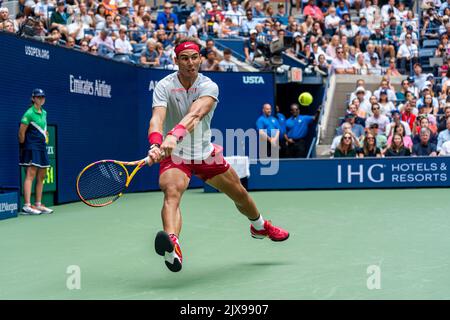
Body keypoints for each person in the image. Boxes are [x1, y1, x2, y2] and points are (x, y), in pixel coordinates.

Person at [147, 36, 289, 272]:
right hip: (175, 157)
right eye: (184, 58)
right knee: (171, 192)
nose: (190, 63)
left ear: (200, 59)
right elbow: (157, 118)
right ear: (176, 60)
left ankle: (259, 226)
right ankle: (173, 245)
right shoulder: (164, 86)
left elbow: (196, 114)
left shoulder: (209, 86)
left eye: (194, 58)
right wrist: (155, 143)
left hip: (205, 153)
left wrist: (173, 135)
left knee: (240, 195)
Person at [18, 89, 54, 215]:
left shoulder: (44, 112)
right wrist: (24, 146)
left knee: (42, 175)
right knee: (31, 174)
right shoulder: (29, 113)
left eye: (42, 97)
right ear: (33, 98)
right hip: (31, 147)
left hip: (42, 146)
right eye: (38, 97)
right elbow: (21, 132)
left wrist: (44, 134)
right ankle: (27, 206)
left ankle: (38, 204)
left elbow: (42, 128)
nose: (41, 99)